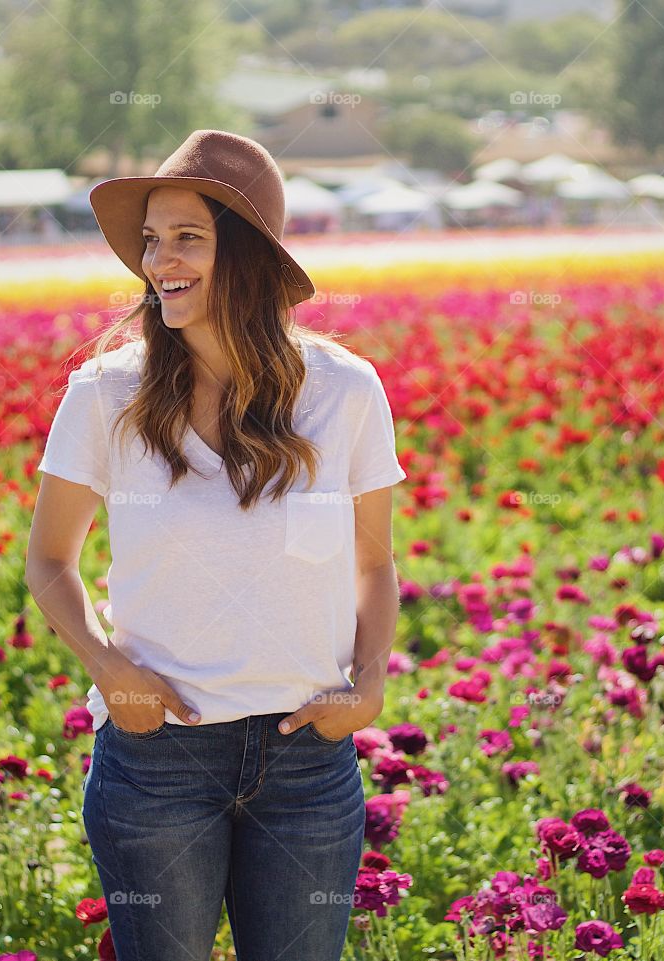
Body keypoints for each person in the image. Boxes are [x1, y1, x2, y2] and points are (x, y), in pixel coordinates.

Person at [25, 129, 407, 961]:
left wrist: (370, 686)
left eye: (187, 237)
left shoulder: (345, 391)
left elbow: (374, 564)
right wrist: (108, 668)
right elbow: (49, 559)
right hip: (158, 760)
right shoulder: (106, 393)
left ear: (249, 255)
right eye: (152, 240)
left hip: (309, 763)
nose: (160, 259)